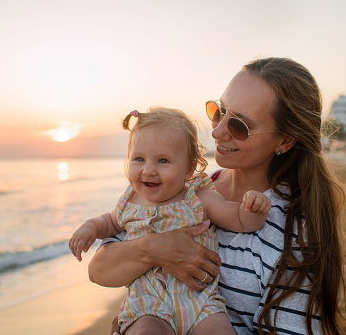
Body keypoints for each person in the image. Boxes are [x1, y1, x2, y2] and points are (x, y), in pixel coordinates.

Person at [88, 57, 346, 335]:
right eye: (218, 111)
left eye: (239, 126)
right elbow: (99, 269)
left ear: (284, 140)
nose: (217, 130)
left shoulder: (292, 232)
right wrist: (152, 248)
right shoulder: (185, 189)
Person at [69, 107, 272, 335]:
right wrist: (90, 227)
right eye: (139, 159)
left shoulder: (198, 198)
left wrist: (254, 207)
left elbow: (241, 220)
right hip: (147, 304)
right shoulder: (130, 201)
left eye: (162, 161)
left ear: (188, 169)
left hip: (199, 301)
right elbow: (109, 222)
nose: (148, 170)